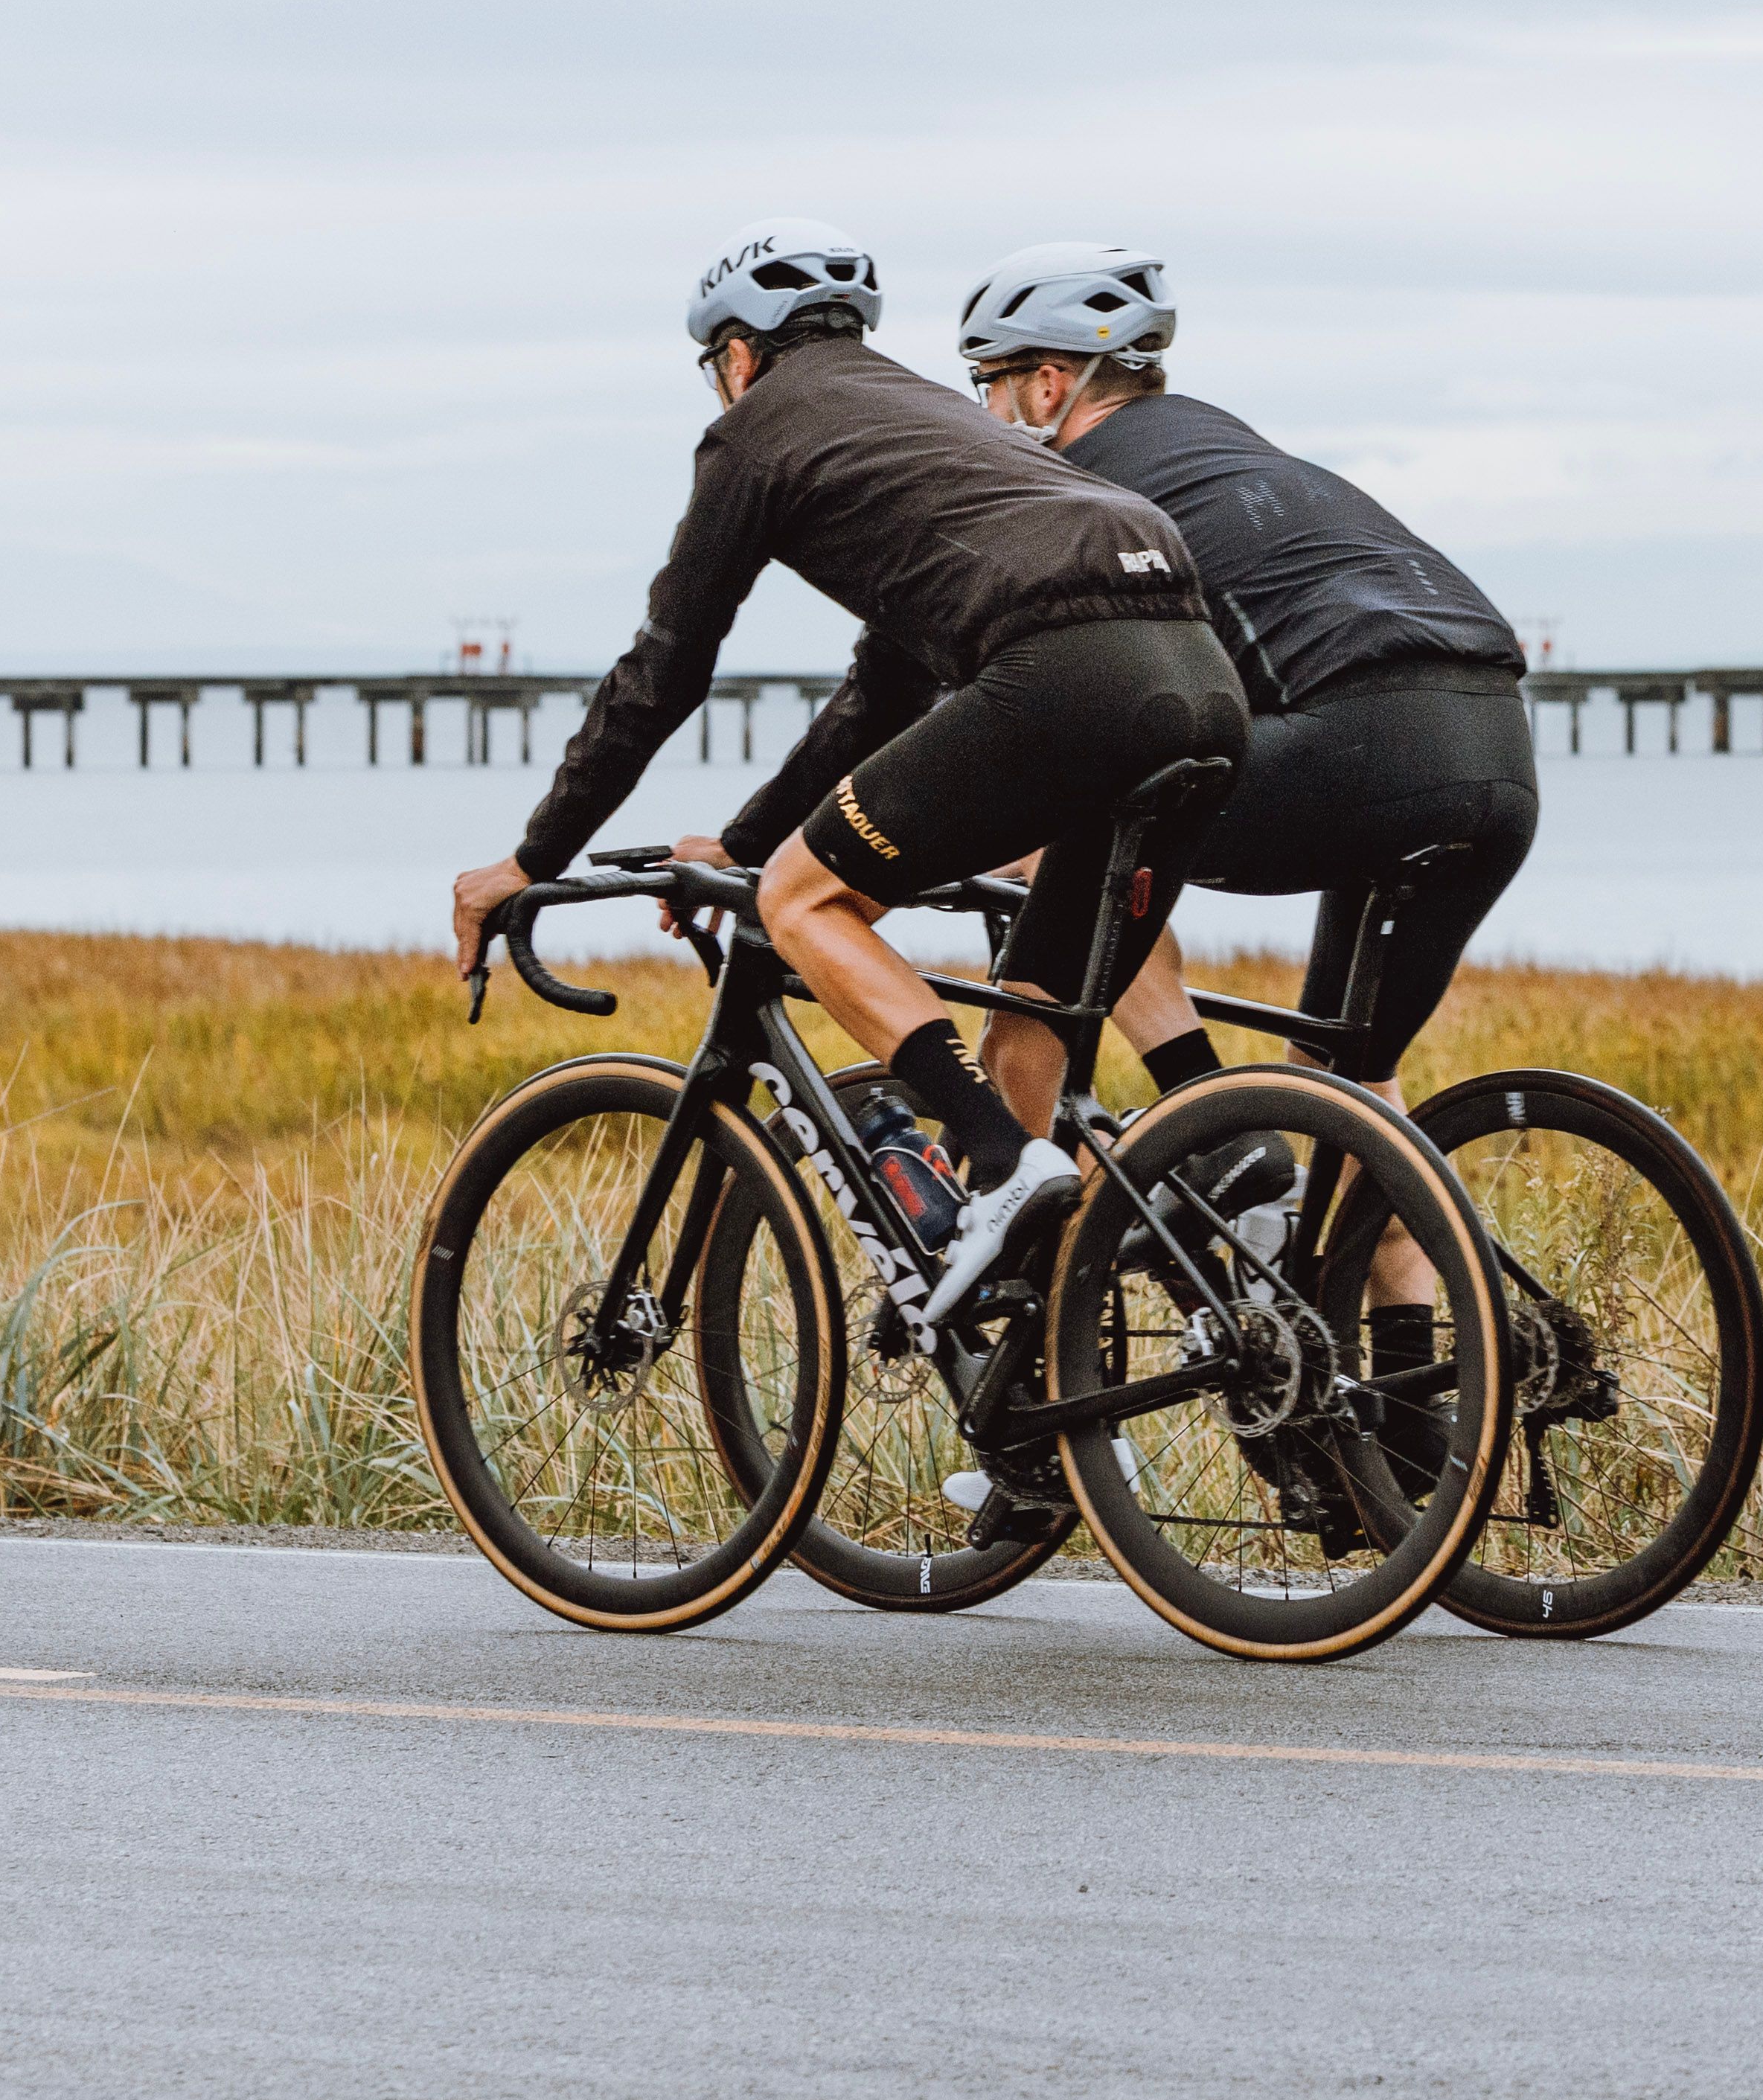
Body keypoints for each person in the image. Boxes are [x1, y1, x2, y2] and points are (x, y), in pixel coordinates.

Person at [447, 226, 1246, 1374]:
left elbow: (663, 671)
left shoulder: (753, 432)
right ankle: (1033, 1413)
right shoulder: (936, 418)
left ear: (735, 354)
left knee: (800, 903)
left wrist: (534, 856)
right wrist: (740, 834)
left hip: (1062, 668)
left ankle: (1000, 1158)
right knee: (1032, 1011)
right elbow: (886, 687)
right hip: (1200, 681)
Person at [950, 241, 1533, 1110]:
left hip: (1362, 737)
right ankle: (1392, 1240)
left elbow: (1009, 712)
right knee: (1345, 1091)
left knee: (1064, 840)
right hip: (1496, 751)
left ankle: (1213, 1131)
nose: (985, 411)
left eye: (986, 384)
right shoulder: (1217, 444)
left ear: (1045, 384)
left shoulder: (1073, 497)